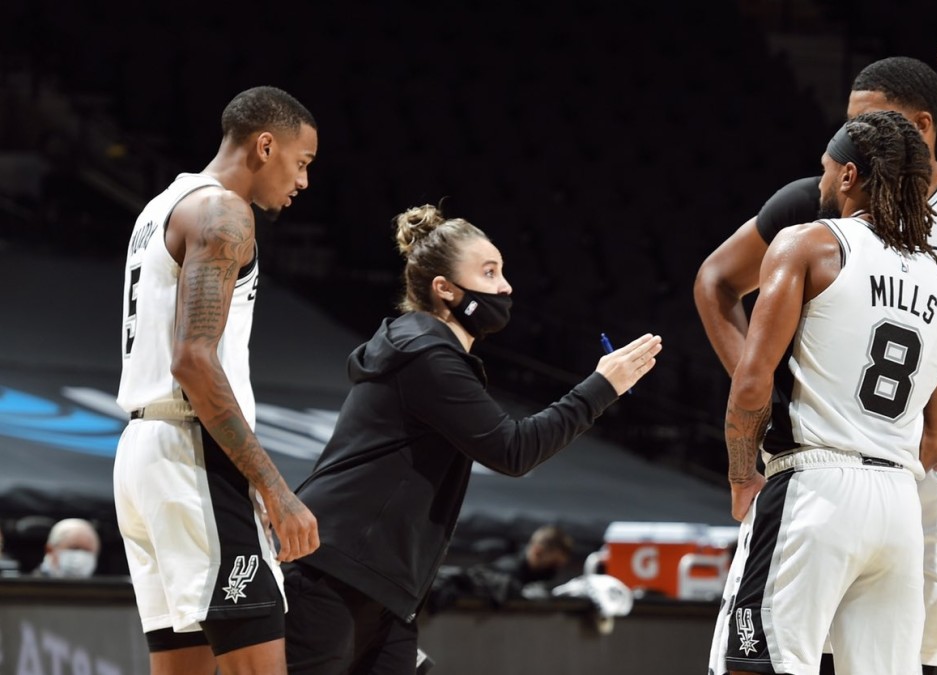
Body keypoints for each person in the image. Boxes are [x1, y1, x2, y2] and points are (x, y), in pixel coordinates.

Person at [695, 56, 937, 672]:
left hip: (818, 478)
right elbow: (933, 437)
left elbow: (754, 381)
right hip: (901, 490)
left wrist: (742, 470)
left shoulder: (812, 241)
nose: (818, 183)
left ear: (848, 177)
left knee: (753, 663)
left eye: (825, 171)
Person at [283, 204, 662, 675]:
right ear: (444, 289)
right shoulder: (426, 355)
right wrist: (601, 386)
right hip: (338, 573)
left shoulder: (426, 350)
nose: (505, 287)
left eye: (502, 271)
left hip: (384, 586)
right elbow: (513, 449)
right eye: (489, 272)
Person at [113, 85, 320, 675]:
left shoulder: (158, 208)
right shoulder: (225, 211)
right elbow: (194, 363)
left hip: (141, 456)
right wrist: (276, 491)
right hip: (192, 453)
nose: (302, 182)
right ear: (264, 145)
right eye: (300, 163)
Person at [485, 524, 574, 590]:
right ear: (537, 551)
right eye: (553, 563)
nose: (556, 569)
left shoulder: (545, 574)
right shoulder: (505, 572)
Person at [35, 518, 101, 579]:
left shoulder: (100, 590)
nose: (80, 556)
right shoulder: (31, 587)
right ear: (50, 550)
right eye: (74, 548)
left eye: (87, 550)